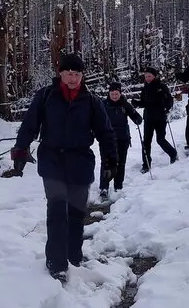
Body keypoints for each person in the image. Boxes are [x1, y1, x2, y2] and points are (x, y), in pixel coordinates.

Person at [11, 53, 118, 281]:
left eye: (77, 74)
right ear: (60, 73)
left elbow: (106, 133)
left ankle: (74, 256)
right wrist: (20, 150)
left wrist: (111, 160)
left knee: (77, 213)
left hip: (80, 160)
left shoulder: (91, 102)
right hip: (52, 160)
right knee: (57, 209)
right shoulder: (47, 96)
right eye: (69, 73)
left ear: (82, 76)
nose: (73, 78)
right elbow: (30, 125)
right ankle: (57, 262)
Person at [100, 82, 142, 200]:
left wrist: (137, 119)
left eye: (116, 93)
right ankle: (104, 187)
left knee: (121, 163)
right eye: (112, 93)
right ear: (109, 93)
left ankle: (118, 186)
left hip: (122, 138)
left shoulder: (125, 104)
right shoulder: (103, 105)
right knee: (106, 163)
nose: (114, 96)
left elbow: (136, 116)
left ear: (120, 93)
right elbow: (95, 118)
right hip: (107, 139)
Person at [137, 66, 177, 172]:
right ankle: (146, 164)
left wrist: (166, 107)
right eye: (146, 76)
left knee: (160, 139)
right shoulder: (145, 88)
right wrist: (137, 103)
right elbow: (144, 103)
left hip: (160, 118)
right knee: (146, 142)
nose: (147, 78)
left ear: (154, 76)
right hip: (148, 118)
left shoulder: (161, 86)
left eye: (149, 76)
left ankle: (173, 153)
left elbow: (169, 99)